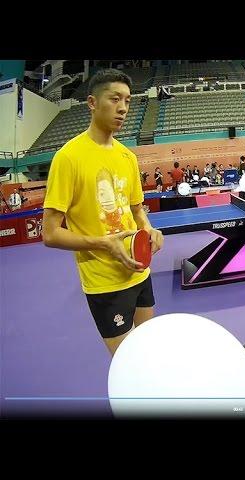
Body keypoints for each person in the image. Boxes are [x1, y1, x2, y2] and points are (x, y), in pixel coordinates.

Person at [42, 69, 164, 356]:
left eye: (127, 100)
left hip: (139, 271)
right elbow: (50, 233)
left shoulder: (127, 156)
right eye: (114, 99)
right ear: (92, 103)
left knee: (149, 352)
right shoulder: (68, 157)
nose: (123, 107)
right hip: (104, 281)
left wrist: (148, 229)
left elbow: (136, 210)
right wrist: (103, 243)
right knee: (128, 364)